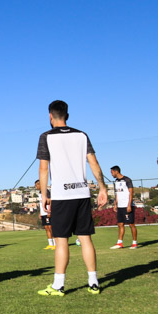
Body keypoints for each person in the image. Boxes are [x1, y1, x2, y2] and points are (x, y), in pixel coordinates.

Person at [36, 100, 108, 296]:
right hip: (82, 194)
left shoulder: (46, 137)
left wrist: (44, 195)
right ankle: (93, 282)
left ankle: (58, 286)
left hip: (61, 196)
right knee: (85, 239)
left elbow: (44, 168)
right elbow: (93, 163)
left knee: (61, 241)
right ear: (67, 115)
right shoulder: (82, 135)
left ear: (50, 116)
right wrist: (102, 188)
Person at [109, 166, 138, 250]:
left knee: (131, 224)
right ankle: (119, 243)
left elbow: (131, 193)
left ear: (116, 171)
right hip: (120, 206)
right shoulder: (116, 181)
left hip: (127, 206)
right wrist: (115, 204)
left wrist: (129, 205)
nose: (111, 174)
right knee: (120, 224)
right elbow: (117, 194)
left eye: (112, 172)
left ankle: (134, 243)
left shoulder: (127, 180)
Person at [35, 180, 54, 250]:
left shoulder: (46, 191)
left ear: (40, 185)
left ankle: (55, 244)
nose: (35, 187)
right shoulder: (40, 192)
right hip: (43, 213)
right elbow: (41, 204)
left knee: (50, 228)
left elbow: (50, 201)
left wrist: (49, 212)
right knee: (46, 228)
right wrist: (40, 212)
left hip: (47, 212)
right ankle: (50, 244)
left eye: (36, 185)